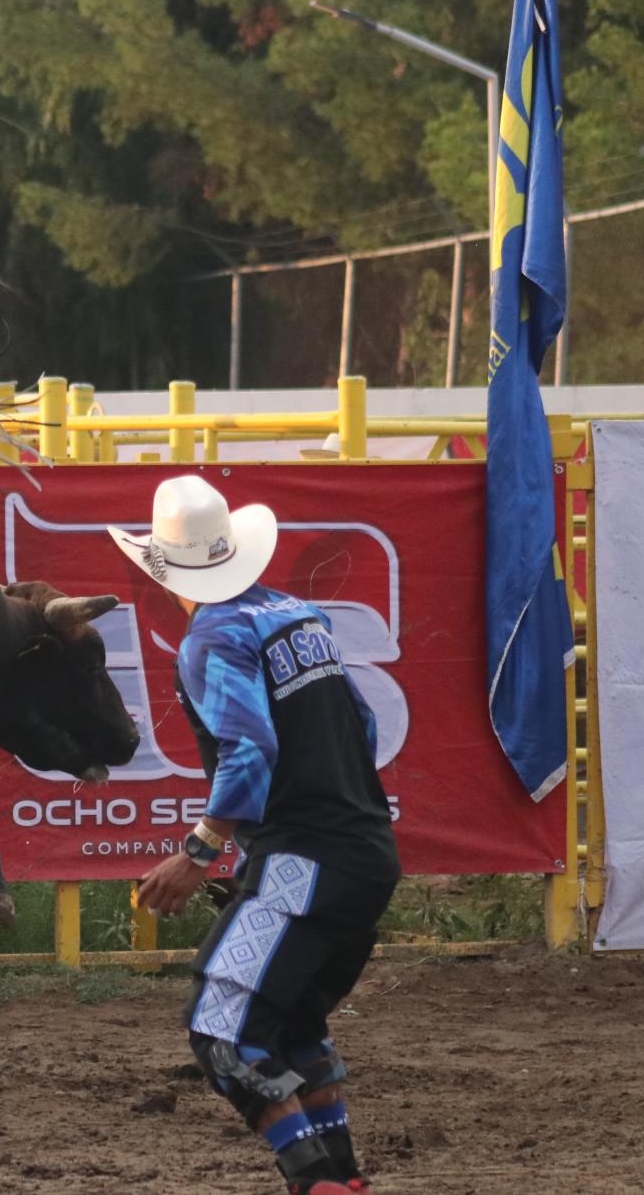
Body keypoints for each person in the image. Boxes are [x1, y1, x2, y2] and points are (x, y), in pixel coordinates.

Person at [115, 475, 399, 1195]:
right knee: (288, 1017)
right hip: (365, 852)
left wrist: (199, 850)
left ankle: (316, 1182)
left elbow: (250, 750)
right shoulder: (300, 617)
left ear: (163, 570)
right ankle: (341, 1178)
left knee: (224, 1028)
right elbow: (361, 724)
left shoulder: (212, 639)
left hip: (303, 861)